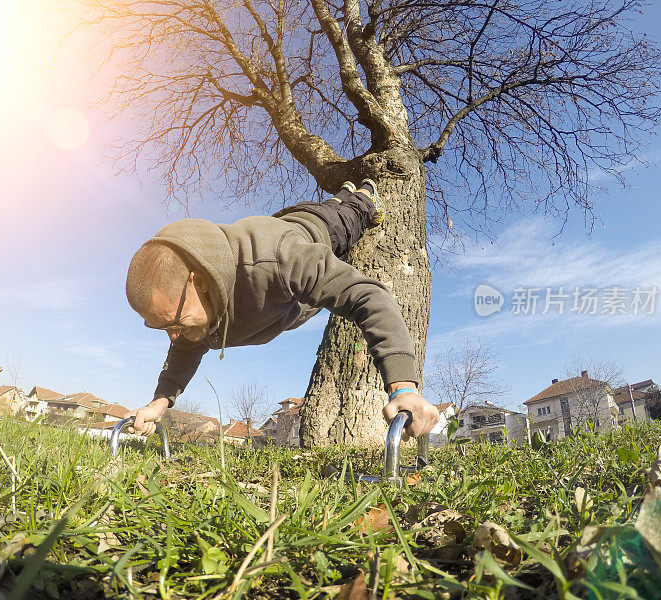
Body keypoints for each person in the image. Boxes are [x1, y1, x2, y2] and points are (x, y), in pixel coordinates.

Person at [125, 180, 439, 442]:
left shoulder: (279, 260)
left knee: (355, 218)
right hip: (285, 223)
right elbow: (185, 350)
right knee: (333, 207)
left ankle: (361, 194)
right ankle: (340, 196)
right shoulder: (191, 315)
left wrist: (404, 387)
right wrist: (159, 403)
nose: (174, 335)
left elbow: (368, 297)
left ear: (200, 282)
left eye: (176, 323)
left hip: (320, 227)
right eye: (161, 327)